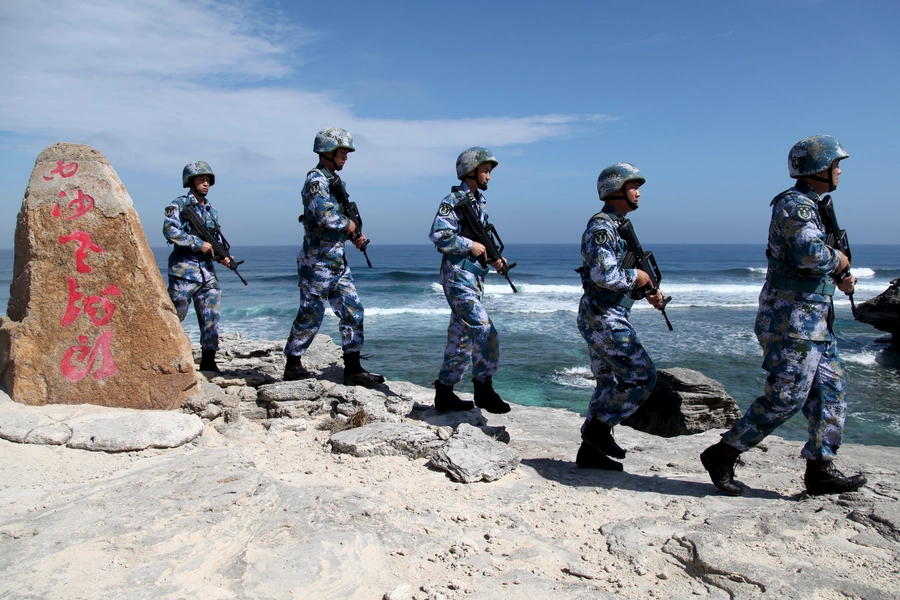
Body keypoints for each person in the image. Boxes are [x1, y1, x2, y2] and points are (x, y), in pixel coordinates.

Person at [701, 135, 867, 496]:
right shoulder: (795, 205)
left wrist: (839, 275)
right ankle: (723, 452)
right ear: (817, 168)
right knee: (787, 396)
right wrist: (837, 260)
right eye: (834, 164)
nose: (839, 171)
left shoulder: (814, 205)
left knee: (831, 392)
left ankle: (821, 468)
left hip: (814, 319)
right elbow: (810, 253)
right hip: (791, 318)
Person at [575, 163, 666, 471]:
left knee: (608, 381)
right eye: (632, 186)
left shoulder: (618, 225)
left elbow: (622, 274)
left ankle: (589, 453)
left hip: (605, 312)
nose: (638, 192)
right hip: (603, 314)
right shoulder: (602, 228)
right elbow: (604, 275)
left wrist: (647, 288)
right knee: (642, 375)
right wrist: (637, 277)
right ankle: (598, 430)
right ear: (616, 190)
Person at [282, 127, 384, 387]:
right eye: (342, 152)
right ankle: (293, 364)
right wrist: (348, 225)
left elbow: (340, 219)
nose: (346, 157)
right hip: (316, 260)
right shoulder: (316, 181)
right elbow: (325, 217)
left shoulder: (335, 182)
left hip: (336, 260)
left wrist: (354, 234)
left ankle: (353, 369)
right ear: (327, 151)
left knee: (353, 310)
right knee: (311, 312)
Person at [428, 147, 511, 414]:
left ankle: (444, 393)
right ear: (470, 171)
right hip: (457, 278)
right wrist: (469, 244)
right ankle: (483, 389)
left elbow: (482, 242)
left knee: (460, 337)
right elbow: (438, 235)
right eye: (485, 170)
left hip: (473, 278)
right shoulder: (452, 200)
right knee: (485, 331)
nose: (489, 175)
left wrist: (494, 259)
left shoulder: (478, 203)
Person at [163, 161, 231, 373]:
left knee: (211, 316)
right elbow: (171, 231)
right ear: (190, 181)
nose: (205, 184)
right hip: (185, 270)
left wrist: (223, 256)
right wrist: (198, 244)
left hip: (207, 274)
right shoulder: (179, 205)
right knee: (175, 314)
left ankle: (209, 361)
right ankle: (165, 353)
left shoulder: (211, 210)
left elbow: (215, 238)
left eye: (208, 180)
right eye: (201, 180)